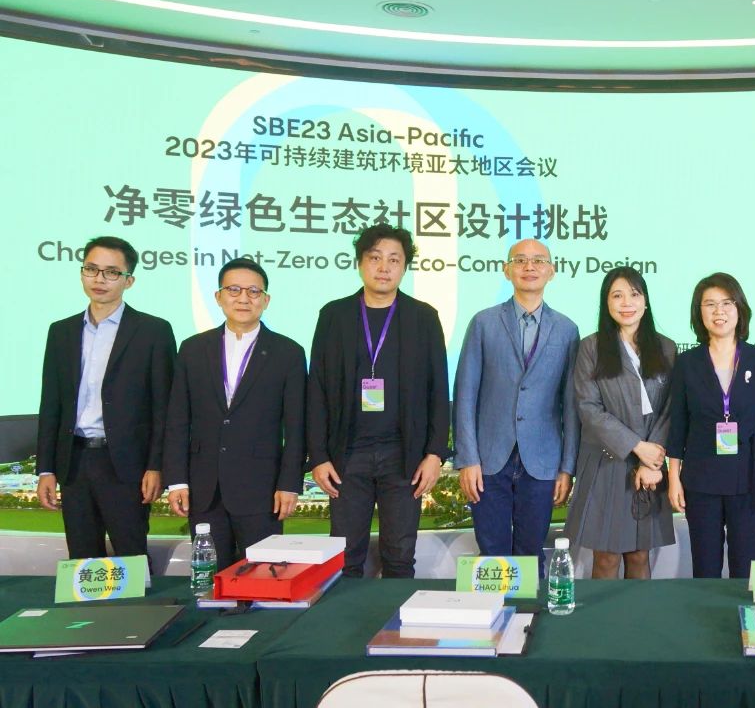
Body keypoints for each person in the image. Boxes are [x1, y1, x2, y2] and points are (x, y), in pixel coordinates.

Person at [306, 224, 449, 578]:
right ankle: (347, 617)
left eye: (394, 260)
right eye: (375, 258)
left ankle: (396, 616)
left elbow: (438, 391)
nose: (384, 267)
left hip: (404, 456)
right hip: (347, 455)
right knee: (344, 558)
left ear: (404, 267)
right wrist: (319, 456)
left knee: (399, 556)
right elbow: (317, 389)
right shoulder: (334, 315)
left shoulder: (424, 318)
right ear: (360, 263)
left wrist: (434, 454)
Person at [36, 236, 176, 565]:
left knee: (131, 555)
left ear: (129, 280)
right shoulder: (61, 332)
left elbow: (164, 408)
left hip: (126, 464)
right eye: (92, 269)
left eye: (112, 272)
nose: (99, 279)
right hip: (74, 462)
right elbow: (51, 405)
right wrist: (45, 469)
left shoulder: (153, 331)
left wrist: (156, 465)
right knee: (82, 557)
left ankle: (136, 602)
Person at [163, 258, 306, 571]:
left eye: (254, 291)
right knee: (210, 577)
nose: (244, 298)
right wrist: (176, 481)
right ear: (218, 296)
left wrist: (290, 483)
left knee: (263, 576)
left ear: (266, 300)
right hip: (204, 489)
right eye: (234, 290)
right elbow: (177, 420)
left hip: (263, 490)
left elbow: (296, 427)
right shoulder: (193, 349)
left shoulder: (288, 353)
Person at [454, 239, 580, 571]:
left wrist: (567, 467)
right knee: (492, 553)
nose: (529, 267)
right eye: (520, 260)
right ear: (506, 270)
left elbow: (570, 406)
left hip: (542, 460)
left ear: (552, 271)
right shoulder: (483, 323)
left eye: (538, 261)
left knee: (531, 553)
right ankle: (495, 608)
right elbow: (465, 394)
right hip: (488, 460)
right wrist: (467, 458)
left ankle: (530, 607)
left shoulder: (567, 330)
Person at [667, 272, 755, 578]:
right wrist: (674, 477)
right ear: (699, 312)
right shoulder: (687, 363)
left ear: (739, 308)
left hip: (749, 475)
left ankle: (745, 611)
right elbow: (678, 424)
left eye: (727, 303)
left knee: (746, 568)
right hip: (701, 477)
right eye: (710, 304)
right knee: (705, 567)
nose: (719, 311)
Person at [564, 267, 677, 579]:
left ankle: (639, 613)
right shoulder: (591, 347)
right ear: (607, 303)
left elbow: (671, 408)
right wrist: (637, 447)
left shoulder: (666, 348)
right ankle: (603, 615)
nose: (627, 303)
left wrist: (653, 458)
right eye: (617, 295)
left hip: (651, 465)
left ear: (645, 301)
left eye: (634, 294)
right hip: (606, 462)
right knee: (606, 557)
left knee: (640, 555)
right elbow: (588, 408)